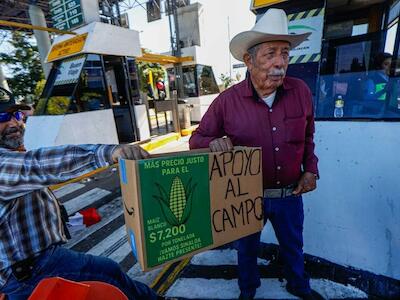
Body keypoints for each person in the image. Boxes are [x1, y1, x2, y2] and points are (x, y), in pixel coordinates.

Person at [189, 8, 320, 300]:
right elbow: (197, 138)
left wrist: (311, 169)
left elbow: (309, 136)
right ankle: (248, 290)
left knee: (292, 245)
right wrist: (213, 143)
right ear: (249, 60)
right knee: (246, 248)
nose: (280, 63)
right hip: (245, 197)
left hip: (289, 194)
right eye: (270, 53)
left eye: (284, 54)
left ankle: (299, 286)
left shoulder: (300, 92)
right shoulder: (227, 101)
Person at [0, 98, 160, 300]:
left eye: (17, 115)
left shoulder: (11, 155)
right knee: (108, 276)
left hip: (36, 263)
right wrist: (107, 152)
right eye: (3, 117)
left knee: (107, 275)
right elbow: (38, 165)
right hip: (32, 271)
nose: (14, 123)